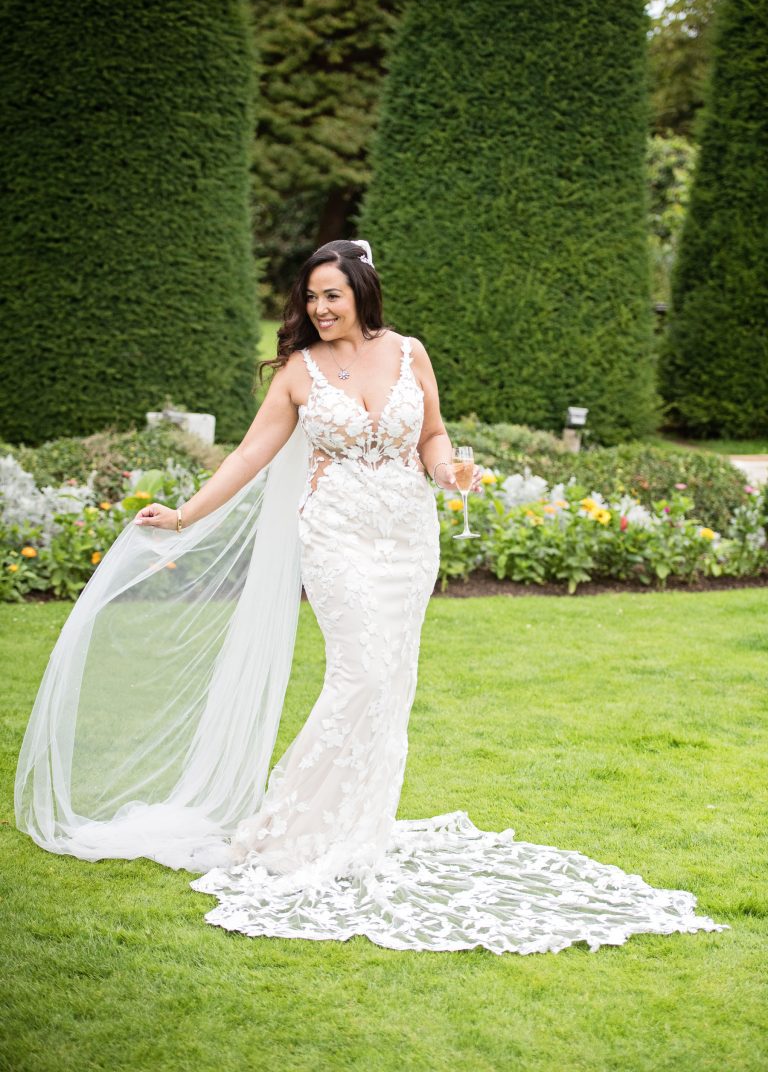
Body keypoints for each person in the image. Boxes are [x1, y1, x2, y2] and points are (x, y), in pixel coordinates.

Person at [15, 240, 726, 954]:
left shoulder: (410, 353)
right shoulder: (298, 373)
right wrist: (183, 514)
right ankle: (286, 829)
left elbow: (433, 435)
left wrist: (450, 471)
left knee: (393, 684)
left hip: (408, 541)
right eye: (311, 298)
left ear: (361, 292)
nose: (320, 309)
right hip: (335, 536)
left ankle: (356, 827)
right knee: (363, 674)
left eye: (333, 295)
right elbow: (248, 454)